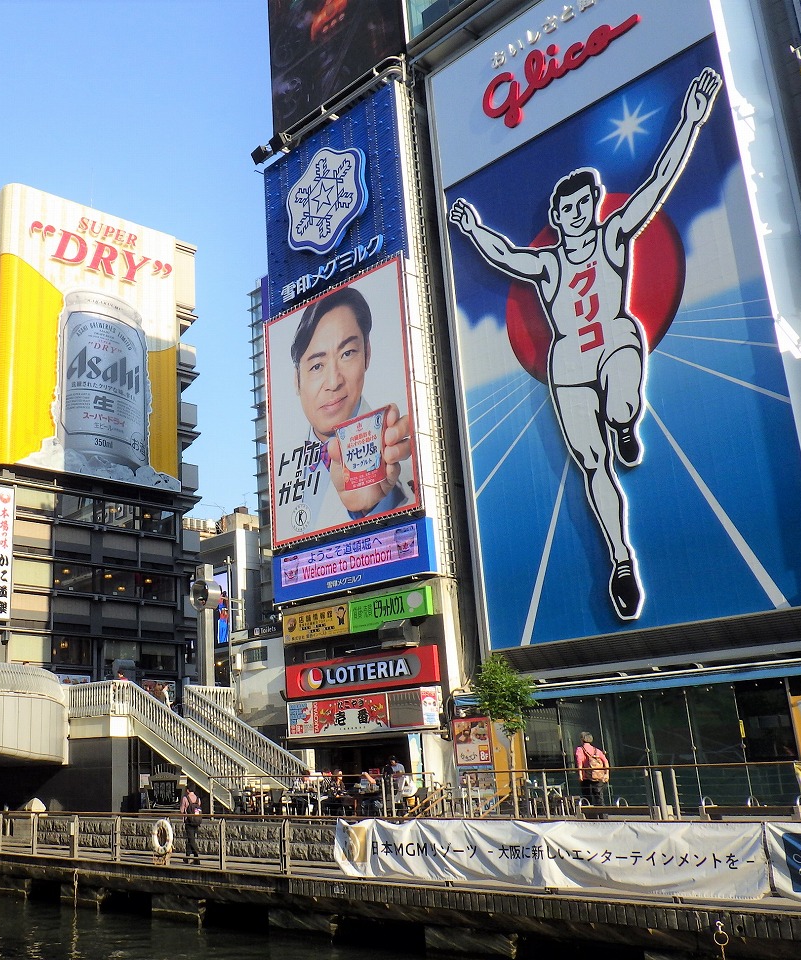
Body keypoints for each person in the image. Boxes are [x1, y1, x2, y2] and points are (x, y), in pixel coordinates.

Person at [449, 67, 722, 622]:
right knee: (593, 465)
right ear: (556, 217)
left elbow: (658, 183)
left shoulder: (615, 235)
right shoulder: (548, 263)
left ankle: (625, 423)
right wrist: (473, 229)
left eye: (583, 207)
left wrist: (691, 123)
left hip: (615, 343)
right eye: (567, 210)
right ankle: (621, 559)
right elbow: (504, 255)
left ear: (593, 206)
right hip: (569, 364)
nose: (576, 217)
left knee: (623, 370)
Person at [284, 285, 415, 534]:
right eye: (316, 366)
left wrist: (371, 508)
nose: (333, 382)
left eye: (347, 353)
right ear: (297, 380)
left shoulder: (398, 456)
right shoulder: (285, 472)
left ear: (367, 353)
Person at [575, 732, 610, 805]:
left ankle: (590, 815)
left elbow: (579, 762)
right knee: (599, 797)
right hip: (598, 776)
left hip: (586, 777)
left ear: (582, 739)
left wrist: (580, 774)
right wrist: (606, 774)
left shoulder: (580, 749)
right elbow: (606, 761)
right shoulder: (597, 750)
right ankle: (603, 814)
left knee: (587, 797)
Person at [179, 785, 202, 865]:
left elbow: (182, 810)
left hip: (188, 821)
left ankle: (197, 857)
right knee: (190, 839)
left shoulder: (185, 798)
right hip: (196, 821)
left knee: (191, 840)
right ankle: (187, 857)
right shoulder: (198, 799)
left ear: (188, 790)